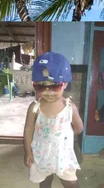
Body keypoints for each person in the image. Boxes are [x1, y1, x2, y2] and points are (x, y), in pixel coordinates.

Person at [23, 51, 83, 188]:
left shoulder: (69, 108)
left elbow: (79, 128)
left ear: (65, 84)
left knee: (71, 183)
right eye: (41, 86)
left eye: (55, 86)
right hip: (41, 154)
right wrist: (28, 151)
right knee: (44, 182)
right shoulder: (34, 108)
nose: (47, 92)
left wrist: (66, 134)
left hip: (63, 155)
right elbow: (28, 129)